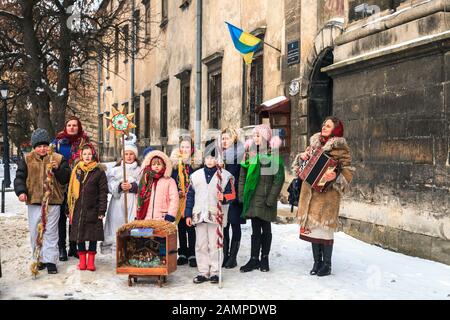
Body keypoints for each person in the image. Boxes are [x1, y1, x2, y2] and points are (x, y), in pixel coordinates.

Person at [295, 116, 354, 277]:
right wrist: (301, 158)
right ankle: (317, 262)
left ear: (335, 129)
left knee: (325, 232)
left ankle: (326, 265)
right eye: (323, 124)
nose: (324, 127)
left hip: (327, 197)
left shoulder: (341, 148)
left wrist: (334, 177)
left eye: (328, 125)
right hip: (309, 194)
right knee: (313, 231)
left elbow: (348, 172)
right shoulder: (314, 144)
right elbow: (299, 169)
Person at [14, 128, 71, 274]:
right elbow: (20, 177)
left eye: (45, 146)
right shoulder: (27, 159)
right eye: (39, 146)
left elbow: (66, 178)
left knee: (51, 232)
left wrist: (58, 169)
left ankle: (50, 260)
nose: (42, 149)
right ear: (34, 147)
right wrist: (21, 192)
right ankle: (38, 259)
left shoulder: (57, 158)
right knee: (35, 231)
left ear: (49, 146)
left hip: (53, 201)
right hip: (34, 201)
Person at [185, 139, 235, 284]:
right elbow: (190, 196)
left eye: (213, 157)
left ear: (218, 158)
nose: (210, 160)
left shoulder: (225, 176)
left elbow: (232, 194)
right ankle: (203, 271)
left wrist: (224, 197)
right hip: (199, 215)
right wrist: (188, 214)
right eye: (207, 157)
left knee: (215, 244)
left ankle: (214, 271)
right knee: (201, 244)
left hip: (215, 216)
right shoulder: (195, 176)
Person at [239, 124, 285, 273]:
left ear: (266, 137)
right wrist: (241, 195)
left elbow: (278, 179)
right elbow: (242, 176)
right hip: (252, 197)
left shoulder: (273, 155)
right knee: (255, 230)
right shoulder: (249, 154)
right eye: (254, 136)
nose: (255, 138)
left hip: (266, 199)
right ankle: (253, 259)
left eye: (258, 135)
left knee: (266, 229)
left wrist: (271, 198)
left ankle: (264, 258)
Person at [53, 116, 91, 261]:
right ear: (65, 127)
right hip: (60, 183)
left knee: (75, 216)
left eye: (75, 125)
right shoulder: (57, 142)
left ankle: (74, 246)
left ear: (79, 127)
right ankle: (61, 247)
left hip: (78, 182)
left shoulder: (85, 142)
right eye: (69, 125)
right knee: (61, 216)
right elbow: (50, 159)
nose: (72, 128)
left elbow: (93, 158)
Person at [68, 144, 108, 271]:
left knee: (92, 236)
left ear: (93, 155)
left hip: (93, 208)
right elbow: (69, 190)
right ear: (81, 155)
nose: (87, 156)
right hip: (78, 208)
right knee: (79, 235)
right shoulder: (77, 170)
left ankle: (90, 262)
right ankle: (82, 262)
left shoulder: (99, 172)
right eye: (85, 154)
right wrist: (68, 207)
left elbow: (103, 192)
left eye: (89, 154)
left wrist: (102, 209)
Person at [102, 134, 141, 253]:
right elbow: (109, 185)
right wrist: (119, 186)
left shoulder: (140, 170)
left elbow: (144, 185)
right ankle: (116, 250)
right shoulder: (115, 170)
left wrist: (133, 186)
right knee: (117, 224)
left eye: (131, 154)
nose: (129, 157)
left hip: (133, 202)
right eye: (126, 154)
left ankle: (132, 249)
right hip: (118, 203)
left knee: (132, 225)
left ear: (135, 155)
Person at [170, 135, 202, 267]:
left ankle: (192, 253)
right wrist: (177, 191)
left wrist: (190, 191)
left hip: (192, 199)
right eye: (182, 146)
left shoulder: (196, 164)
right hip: (179, 198)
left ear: (192, 148)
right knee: (181, 226)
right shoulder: (175, 164)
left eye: (187, 147)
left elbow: (199, 182)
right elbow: (172, 180)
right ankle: (182, 252)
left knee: (191, 226)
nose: (184, 149)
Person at [219, 128, 245, 269]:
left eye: (227, 138)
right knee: (224, 225)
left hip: (234, 195)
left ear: (233, 139)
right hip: (222, 195)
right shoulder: (220, 155)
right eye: (223, 138)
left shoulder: (239, 155)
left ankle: (233, 257)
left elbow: (240, 176)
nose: (224, 141)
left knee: (234, 224)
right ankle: (225, 255)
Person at [136, 150, 179, 222]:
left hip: (163, 218)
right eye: (153, 164)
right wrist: (137, 215)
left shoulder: (169, 181)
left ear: (164, 165)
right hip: (146, 218)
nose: (156, 166)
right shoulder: (145, 180)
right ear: (150, 166)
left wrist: (170, 215)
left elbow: (174, 199)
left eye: (159, 164)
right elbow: (139, 198)